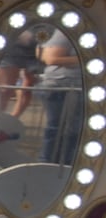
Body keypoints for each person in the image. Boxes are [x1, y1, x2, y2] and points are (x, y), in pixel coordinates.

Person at [35, 24, 83, 165]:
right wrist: (88, 59)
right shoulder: (67, 32)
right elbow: (50, 58)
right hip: (60, 86)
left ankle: (65, 164)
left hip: (76, 87)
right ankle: (46, 164)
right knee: (56, 129)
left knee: (73, 130)